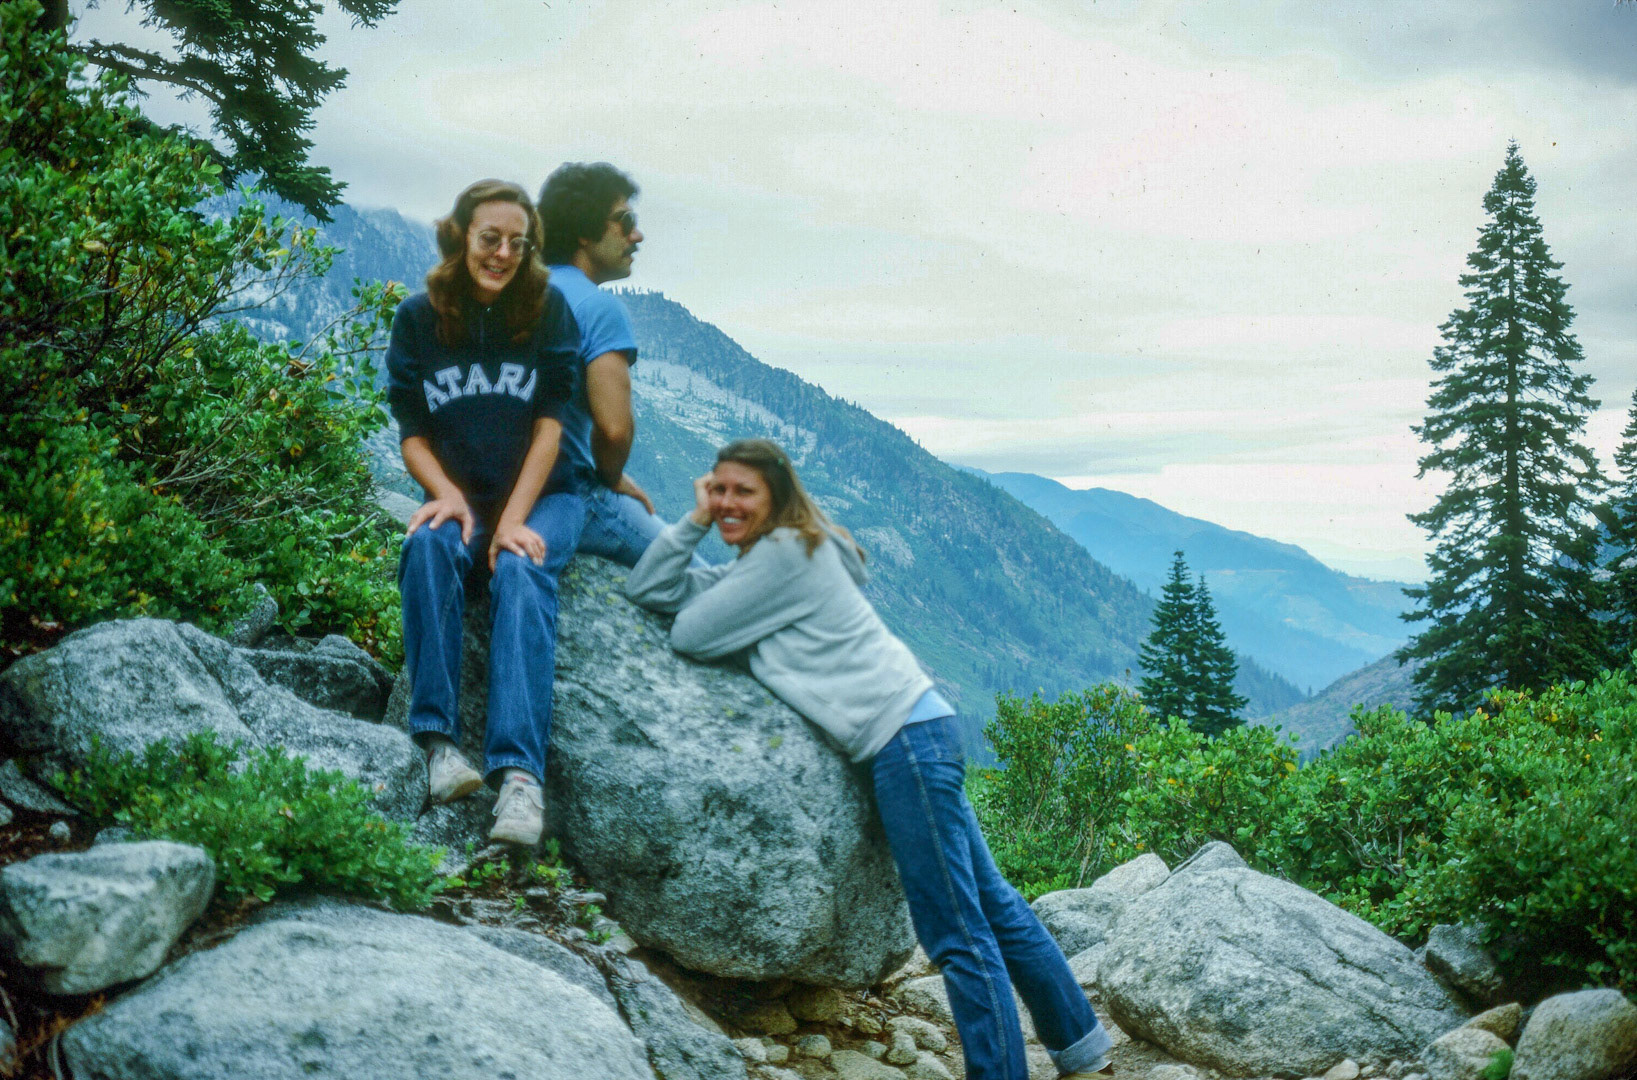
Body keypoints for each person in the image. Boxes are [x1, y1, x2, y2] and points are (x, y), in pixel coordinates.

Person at [624, 439, 1115, 1080]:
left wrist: (693, 527)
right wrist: (692, 522)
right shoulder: (782, 556)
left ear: (775, 497)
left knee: (956, 934)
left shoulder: (781, 559)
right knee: (994, 906)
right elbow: (653, 588)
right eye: (716, 489)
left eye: (742, 491)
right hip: (923, 726)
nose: (724, 502)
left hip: (902, 745)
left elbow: (687, 631)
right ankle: (1084, 1051)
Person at [386, 178, 580, 847]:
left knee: (522, 569)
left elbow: (551, 428)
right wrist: (444, 496)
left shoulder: (547, 311)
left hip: (544, 497)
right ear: (460, 235)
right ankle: (439, 747)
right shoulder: (419, 318)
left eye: (516, 244)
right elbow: (411, 429)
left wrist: (509, 524)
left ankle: (519, 782)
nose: (501, 253)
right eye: (489, 238)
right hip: (463, 495)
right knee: (428, 545)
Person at [536, 160, 689, 568]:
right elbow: (615, 429)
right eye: (625, 221)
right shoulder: (598, 308)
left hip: (505, 495)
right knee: (704, 582)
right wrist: (611, 478)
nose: (637, 235)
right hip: (570, 495)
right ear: (585, 230)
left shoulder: (518, 292)